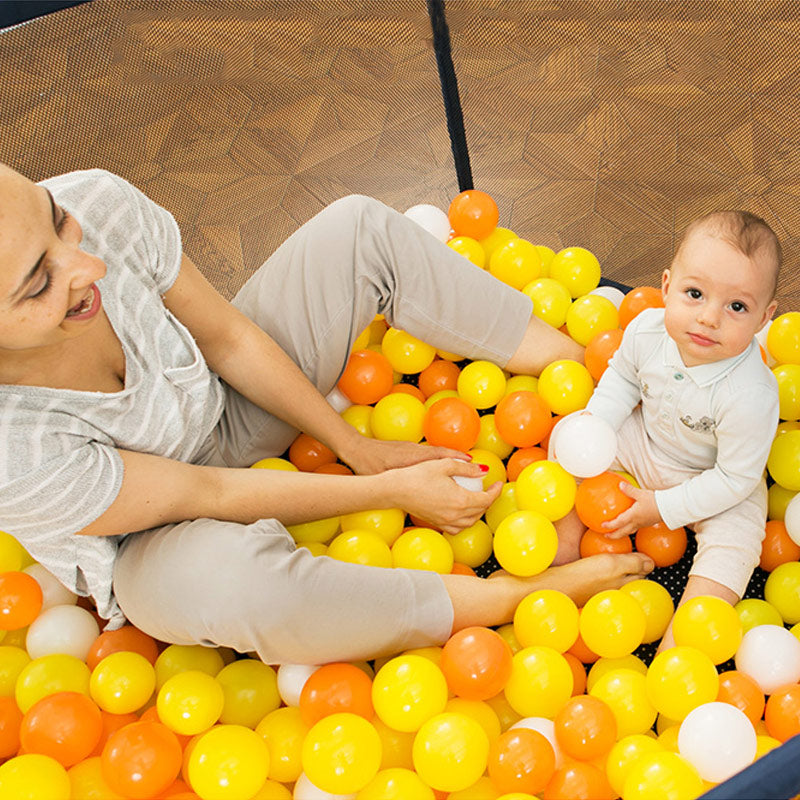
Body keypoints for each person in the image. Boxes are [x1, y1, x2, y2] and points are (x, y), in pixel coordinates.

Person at [0, 164, 653, 665]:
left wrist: (353, 444)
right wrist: (383, 487)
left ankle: (589, 380)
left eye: (58, 220)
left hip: (224, 408)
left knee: (356, 230)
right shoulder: (11, 450)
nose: (87, 262)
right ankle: (510, 598)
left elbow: (226, 338)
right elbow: (206, 492)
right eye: (39, 283)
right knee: (233, 586)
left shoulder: (99, 204)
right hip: (147, 544)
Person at [555, 210, 781, 649]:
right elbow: (620, 379)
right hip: (645, 441)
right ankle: (561, 566)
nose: (709, 318)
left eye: (737, 306)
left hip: (715, 482)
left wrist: (663, 507)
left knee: (735, 547)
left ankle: (679, 647)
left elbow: (735, 478)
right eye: (694, 293)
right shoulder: (645, 330)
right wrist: (597, 428)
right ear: (665, 287)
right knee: (571, 442)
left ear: (763, 320)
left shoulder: (752, 394)